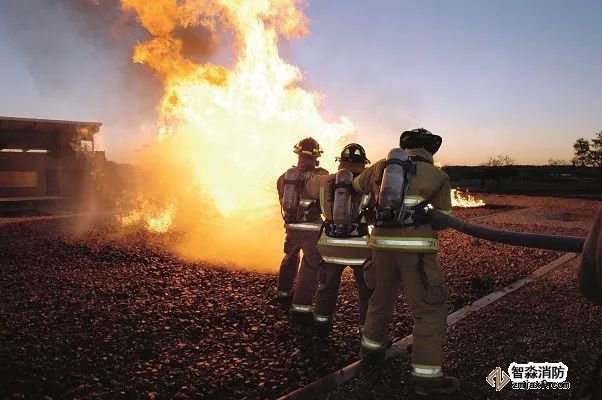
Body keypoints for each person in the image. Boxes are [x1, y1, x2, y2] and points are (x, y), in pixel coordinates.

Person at [352, 128, 457, 396]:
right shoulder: (438, 176)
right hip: (416, 253)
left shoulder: (380, 168)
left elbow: (356, 186)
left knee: (379, 299)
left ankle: (371, 351)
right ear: (430, 149)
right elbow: (443, 218)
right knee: (428, 309)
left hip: (380, 247)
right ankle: (426, 378)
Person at [304, 143, 373, 337]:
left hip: (330, 246)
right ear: (363, 163)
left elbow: (309, 189)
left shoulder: (324, 181)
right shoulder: (369, 184)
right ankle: (367, 331)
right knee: (367, 290)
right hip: (360, 248)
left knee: (326, 287)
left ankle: (321, 324)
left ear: (340, 161)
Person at [276, 137, 329, 323]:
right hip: (312, 228)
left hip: (292, 226)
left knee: (290, 256)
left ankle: (283, 292)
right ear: (316, 157)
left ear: (298, 154)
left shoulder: (285, 176)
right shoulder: (321, 175)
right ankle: (301, 306)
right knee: (310, 264)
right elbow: (325, 200)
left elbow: (283, 200)